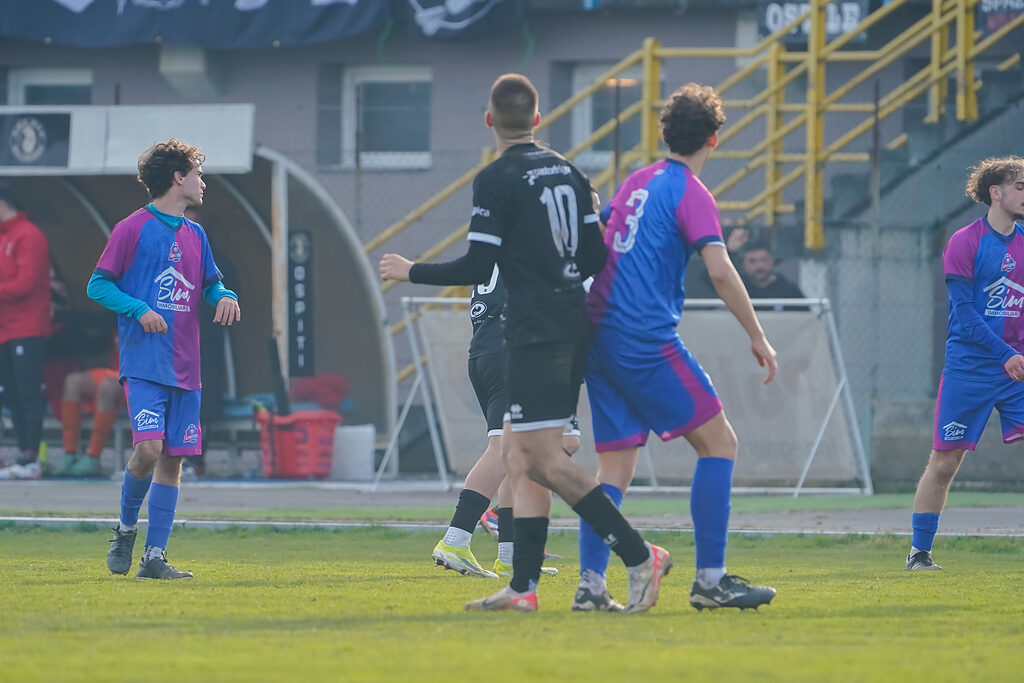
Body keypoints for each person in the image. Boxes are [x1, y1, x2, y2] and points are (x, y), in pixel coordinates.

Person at [381, 73, 669, 614]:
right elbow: (595, 257)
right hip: (565, 326)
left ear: (489, 120)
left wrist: (411, 270)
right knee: (520, 455)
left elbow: (477, 264)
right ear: (537, 119)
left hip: (536, 332)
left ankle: (639, 555)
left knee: (543, 459)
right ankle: (522, 586)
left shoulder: (498, 178)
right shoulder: (571, 173)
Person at [580, 82, 778, 611]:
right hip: (642, 339)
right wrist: (757, 335)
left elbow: (599, 236)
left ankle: (590, 586)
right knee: (721, 444)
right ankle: (711, 580)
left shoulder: (636, 181)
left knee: (613, 470)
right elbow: (720, 270)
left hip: (597, 335)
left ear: (665, 134)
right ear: (714, 138)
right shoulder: (691, 192)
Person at [90, 139, 240, 580]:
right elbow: (98, 285)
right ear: (178, 177)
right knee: (148, 450)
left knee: (173, 460)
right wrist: (139, 309)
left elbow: (210, 284)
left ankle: (154, 558)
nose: (202, 182)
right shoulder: (131, 228)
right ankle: (125, 530)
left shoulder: (197, 235)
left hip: (187, 368)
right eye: (197, 173)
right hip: (144, 364)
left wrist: (225, 295)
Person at [907, 156, 1024, 571]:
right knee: (944, 462)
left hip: (1017, 370)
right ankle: (919, 554)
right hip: (970, 370)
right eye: (1021, 187)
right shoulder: (964, 242)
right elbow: (965, 313)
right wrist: (1006, 354)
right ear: (996, 192)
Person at [431, 263, 574, 581]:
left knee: (517, 455)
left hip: (485, 352)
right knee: (503, 447)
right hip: (511, 353)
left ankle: (509, 557)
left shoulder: (496, 248)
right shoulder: (531, 244)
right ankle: (455, 540)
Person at [0, 181, 52, 480]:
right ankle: (21, 455)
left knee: (27, 391)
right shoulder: (4, 236)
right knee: (11, 393)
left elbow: (25, 283)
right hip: (5, 329)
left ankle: (31, 457)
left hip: (28, 328)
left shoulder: (28, 234)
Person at [55, 361, 124, 478]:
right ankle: (69, 454)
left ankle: (93, 457)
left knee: (106, 386)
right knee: (72, 381)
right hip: (115, 369)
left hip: (137, 374)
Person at [740, 242, 805, 305]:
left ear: (772, 261)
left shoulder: (790, 291)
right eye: (752, 261)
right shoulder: (739, 291)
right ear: (744, 265)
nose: (759, 266)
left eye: (764, 260)